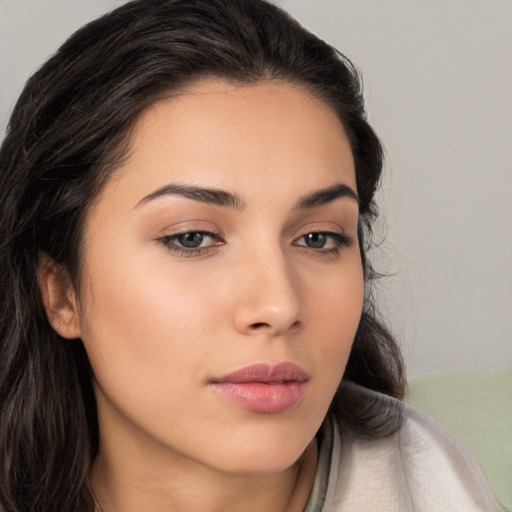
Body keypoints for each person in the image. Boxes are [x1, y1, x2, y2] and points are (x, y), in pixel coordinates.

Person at [0, 0, 503, 511]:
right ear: (61, 292)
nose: (280, 306)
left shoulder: (431, 484)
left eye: (318, 238)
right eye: (192, 238)